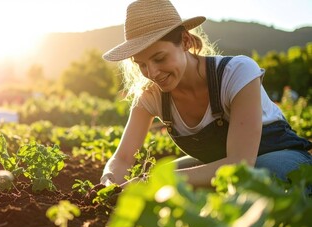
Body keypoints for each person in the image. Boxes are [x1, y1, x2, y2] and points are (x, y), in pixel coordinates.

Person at [99, 0, 312, 189]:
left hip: (279, 158)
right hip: (220, 166)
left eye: (160, 58)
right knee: (161, 183)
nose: (152, 73)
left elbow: (240, 165)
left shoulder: (237, 72)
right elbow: (123, 158)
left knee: (255, 184)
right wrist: (109, 181)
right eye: (142, 64)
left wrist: (154, 181)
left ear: (184, 41)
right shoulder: (150, 95)